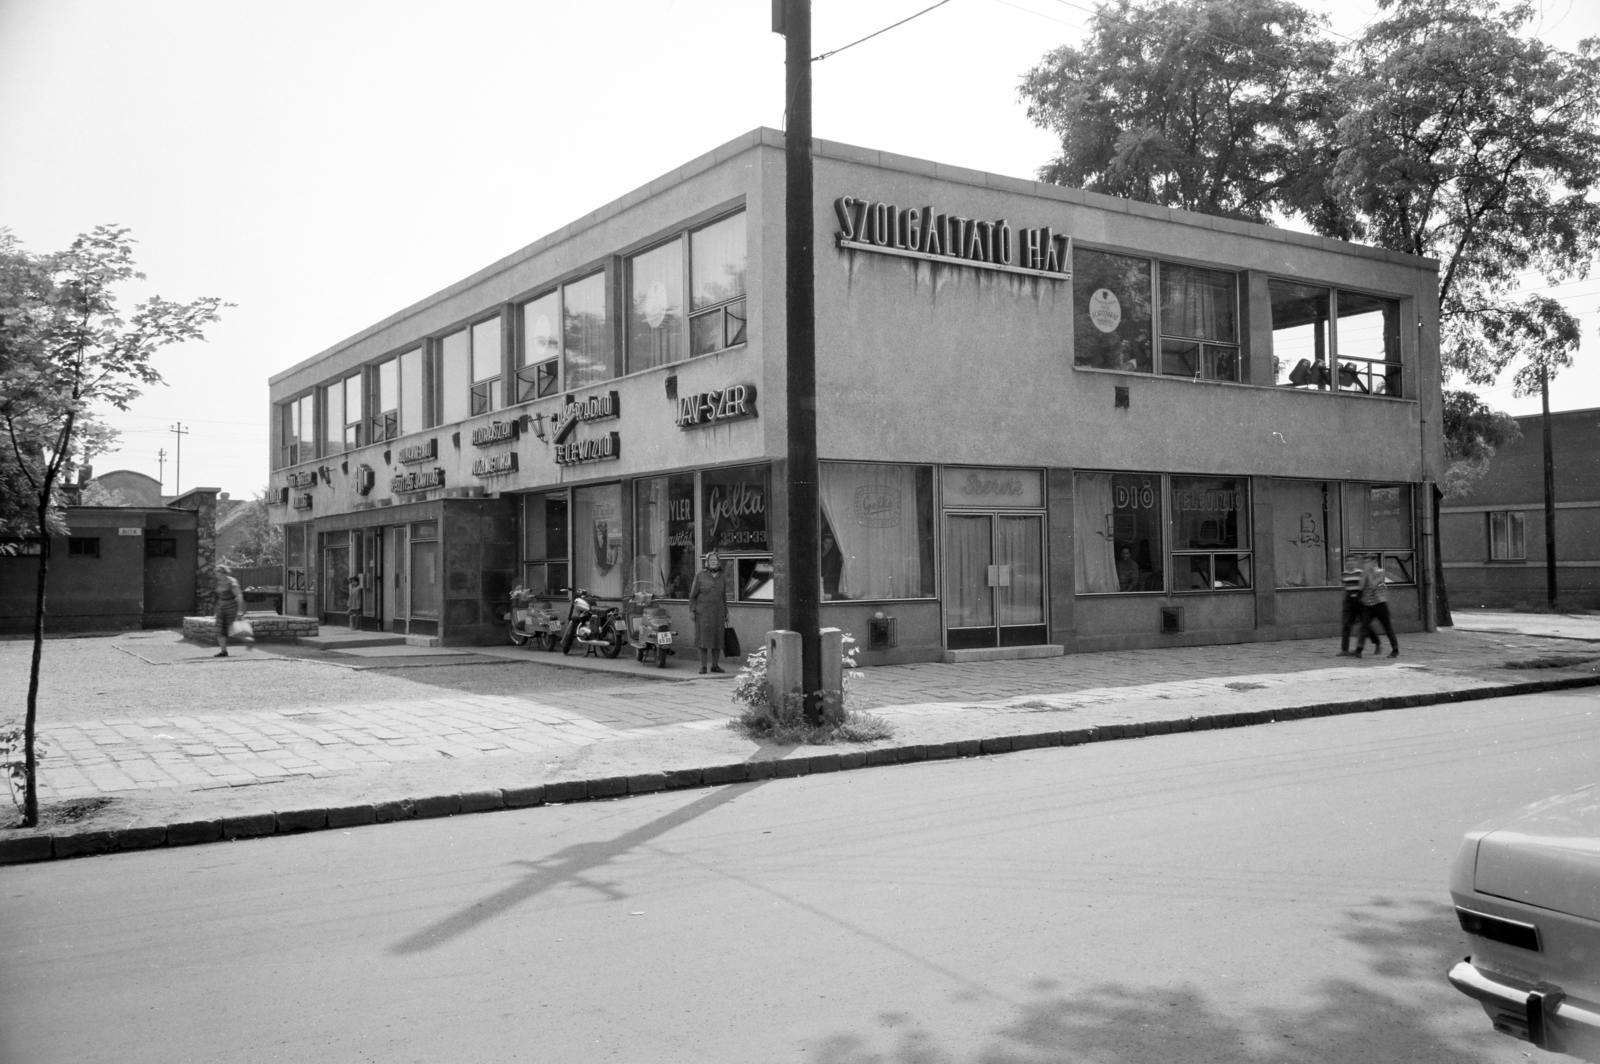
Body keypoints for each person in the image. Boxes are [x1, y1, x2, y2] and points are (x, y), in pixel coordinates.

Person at [689, 551, 728, 674]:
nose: (713, 562)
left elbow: (724, 596)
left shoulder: (722, 576)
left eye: (715, 560)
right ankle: (703, 666)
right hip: (703, 613)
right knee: (703, 639)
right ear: (706, 562)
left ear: (718, 562)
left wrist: (726, 611)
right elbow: (692, 595)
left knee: (718, 639)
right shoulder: (700, 575)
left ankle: (715, 666)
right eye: (710, 560)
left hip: (718, 612)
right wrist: (692, 610)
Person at [1356, 553, 1399, 658]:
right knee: (1364, 627)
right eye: (1365, 562)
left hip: (1380, 604)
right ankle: (1359, 650)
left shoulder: (1380, 572)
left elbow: (1374, 585)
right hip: (1368, 604)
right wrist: (1364, 575)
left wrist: (1368, 573)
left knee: (1387, 627)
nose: (1366, 564)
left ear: (1374, 562)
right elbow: (1361, 587)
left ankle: (1395, 649)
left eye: (1368, 561)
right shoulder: (1364, 573)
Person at [1337, 553, 1381, 656]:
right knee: (1346, 625)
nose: (1351, 563)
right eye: (1349, 561)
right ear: (1346, 563)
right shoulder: (1344, 574)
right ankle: (1345, 649)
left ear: (1356, 562)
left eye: (1353, 560)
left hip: (1361, 601)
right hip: (1349, 602)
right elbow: (1345, 587)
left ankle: (1377, 643)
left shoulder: (1360, 573)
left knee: (1366, 626)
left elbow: (1365, 586)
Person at [213, 565, 250, 658]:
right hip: (221, 609)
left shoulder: (232, 582)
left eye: (219, 574)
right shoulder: (219, 582)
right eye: (217, 574)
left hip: (231, 608)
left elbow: (239, 596)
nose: (217, 576)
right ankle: (223, 651)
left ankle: (249, 641)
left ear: (225, 573)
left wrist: (240, 611)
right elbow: (218, 595)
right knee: (219, 629)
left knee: (233, 629)